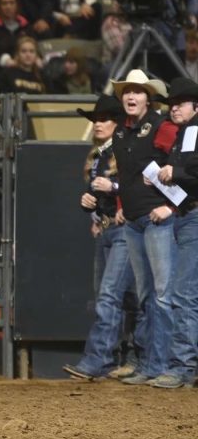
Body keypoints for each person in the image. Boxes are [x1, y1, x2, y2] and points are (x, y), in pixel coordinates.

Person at [109, 69, 179, 386]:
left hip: (156, 218)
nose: (131, 96)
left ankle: (164, 364)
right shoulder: (120, 134)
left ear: (148, 97)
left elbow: (175, 164)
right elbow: (125, 175)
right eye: (127, 92)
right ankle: (150, 363)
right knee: (147, 295)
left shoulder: (162, 127)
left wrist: (172, 206)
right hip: (135, 220)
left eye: (137, 91)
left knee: (162, 295)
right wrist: (121, 207)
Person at [63, 95, 135, 381]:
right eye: (95, 120)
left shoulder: (123, 149)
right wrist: (90, 208)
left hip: (122, 229)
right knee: (112, 296)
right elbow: (96, 193)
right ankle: (114, 357)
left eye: (104, 119)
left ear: (116, 123)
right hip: (106, 228)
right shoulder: (97, 155)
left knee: (110, 295)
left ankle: (98, 359)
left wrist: (113, 186)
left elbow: (136, 184)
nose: (97, 124)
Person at [153, 77, 198, 388]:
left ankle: (183, 366)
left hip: (193, 217)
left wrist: (175, 172)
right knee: (185, 293)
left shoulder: (193, 130)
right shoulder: (185, 132)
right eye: (171, 103)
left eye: (180, 102)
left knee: (183, 293)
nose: (174, 107)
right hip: (186, 214)